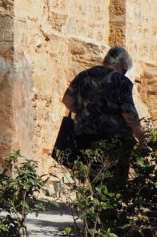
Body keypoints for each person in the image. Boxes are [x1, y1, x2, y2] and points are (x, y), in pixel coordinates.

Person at [62, 46, 144, 185]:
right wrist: (141, 137)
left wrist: (85, 112)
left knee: (94, 180)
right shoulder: (121, 81)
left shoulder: (84, 75)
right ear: (122, 64)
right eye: (125, 70)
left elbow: (67, 100)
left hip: (83, 136)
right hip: (112, 140)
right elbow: (128, 113)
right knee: (113, 185)